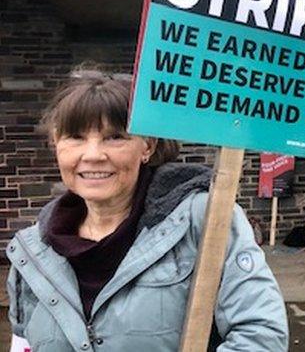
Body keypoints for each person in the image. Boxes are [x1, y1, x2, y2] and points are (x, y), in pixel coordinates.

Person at [6, 68, 288, 351]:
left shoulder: (203, 220)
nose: (92, 155)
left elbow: (261, 336)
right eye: (76, 137)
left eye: (115, 137)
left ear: (147, 147)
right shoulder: (31, 253)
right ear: (56, 144)